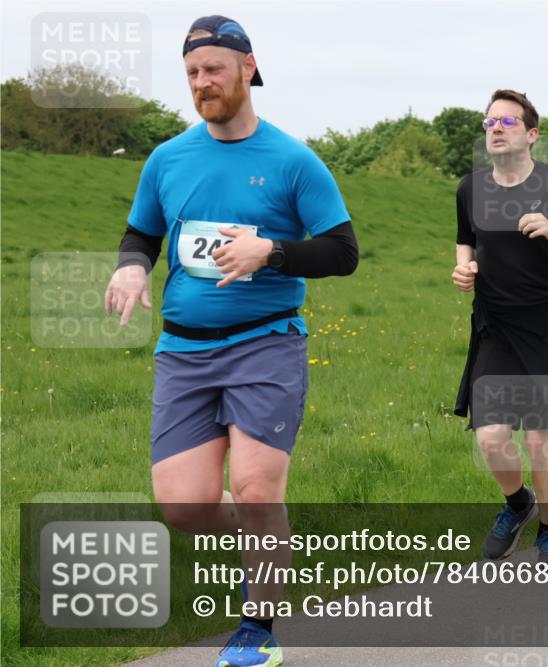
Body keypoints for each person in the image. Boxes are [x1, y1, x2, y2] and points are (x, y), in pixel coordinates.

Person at [104, 15, 358, 666]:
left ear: (248, 68)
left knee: (252, 486)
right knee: (183, 505)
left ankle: (257, 627)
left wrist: (270, 251)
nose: (202, 82)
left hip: (264, 342)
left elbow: (342, 251)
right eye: (192, 73)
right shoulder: (168, 158)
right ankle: (271, 537)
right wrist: (132, 264)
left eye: (214, 68)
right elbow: (142, 233)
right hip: (183, 350)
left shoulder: (292, 160)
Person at [452, 90, 548, 571]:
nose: (495, 128)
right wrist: (463, 270)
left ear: (531, 134)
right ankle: (519, 502)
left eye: (507, 122)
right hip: (495, 323)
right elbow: (465, 241)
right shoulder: (470, 188)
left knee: (541, 441)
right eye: (489, 121)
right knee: (490, 438)